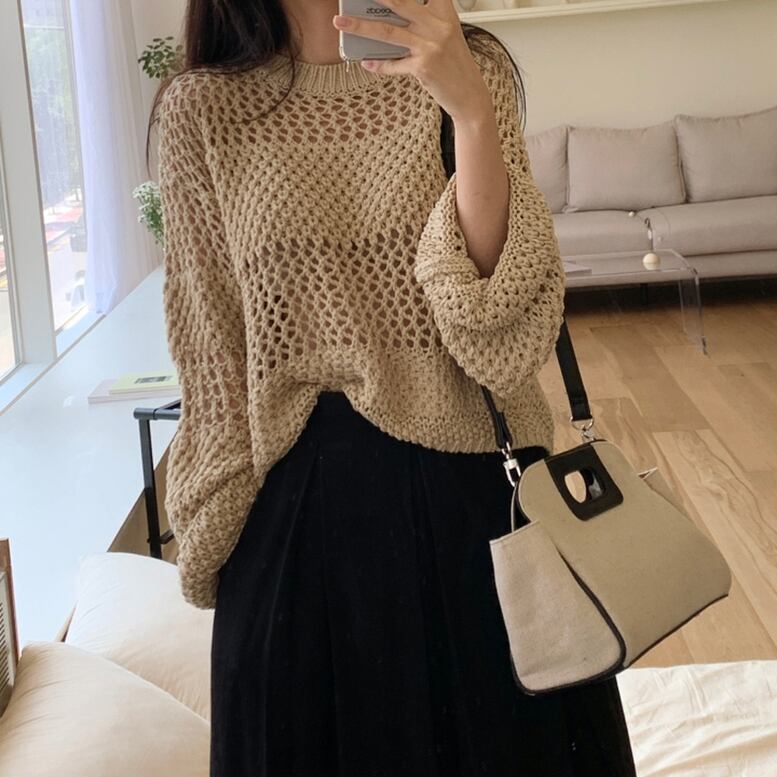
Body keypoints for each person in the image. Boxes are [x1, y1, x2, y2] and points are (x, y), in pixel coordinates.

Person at [150, 0, 639, 774]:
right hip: (295, 526)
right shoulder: (203, 110)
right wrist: (220, 546)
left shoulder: (465, 66)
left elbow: (501, 331)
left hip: (475, 500)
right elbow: (214, 358)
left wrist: (468, 110)